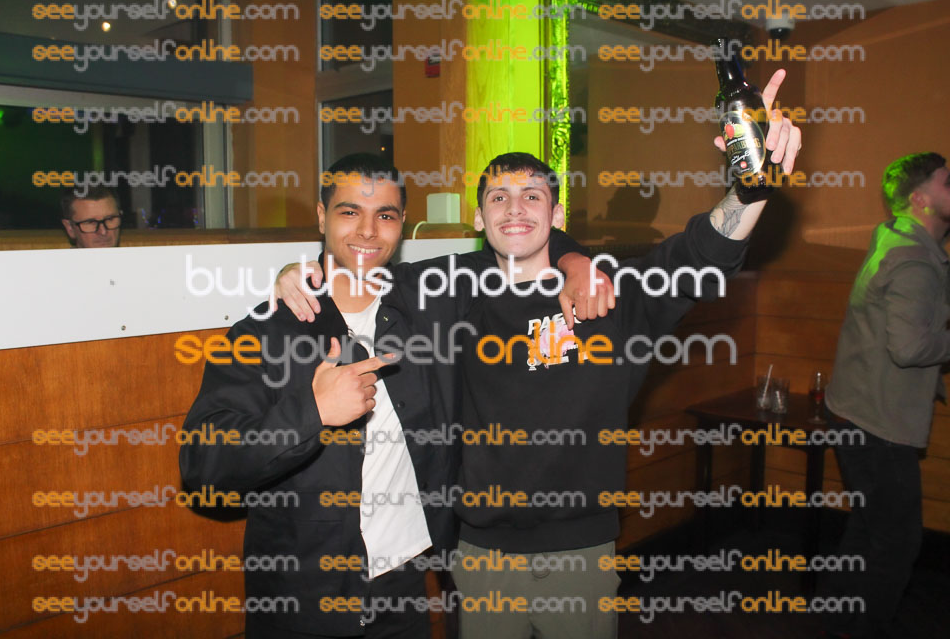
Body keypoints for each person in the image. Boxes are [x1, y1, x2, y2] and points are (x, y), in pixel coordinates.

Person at [277, 71, 801, 638]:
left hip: (581, 555)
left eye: (532, 196)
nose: (515, 209)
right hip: (478, 556)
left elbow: (701, 255)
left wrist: (752, 189)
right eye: (498, 198)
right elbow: (358, 264)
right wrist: (292, 273)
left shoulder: (611, 293)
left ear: (556, 215)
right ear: (479, 218)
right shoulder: (447, 290)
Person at [179, 153, 594, 638]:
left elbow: (521, 236)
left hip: (405, 590)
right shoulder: (267, 331)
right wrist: (312, 412)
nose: (368, 230)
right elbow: (203, 466)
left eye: (386, 215)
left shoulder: (432, 299)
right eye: (350, 211)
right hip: (303, 600)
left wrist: (576, 263)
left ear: (402, 225)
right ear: (321, 217)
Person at [821, 152, 950, 639]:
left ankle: (834, 619)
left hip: (855, 411)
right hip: (878, 425)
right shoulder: (914, 260)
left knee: (868, 528)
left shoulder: (895, 237)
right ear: (920, 200)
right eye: (947, 182)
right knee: (896, 543)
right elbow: (910, 347)